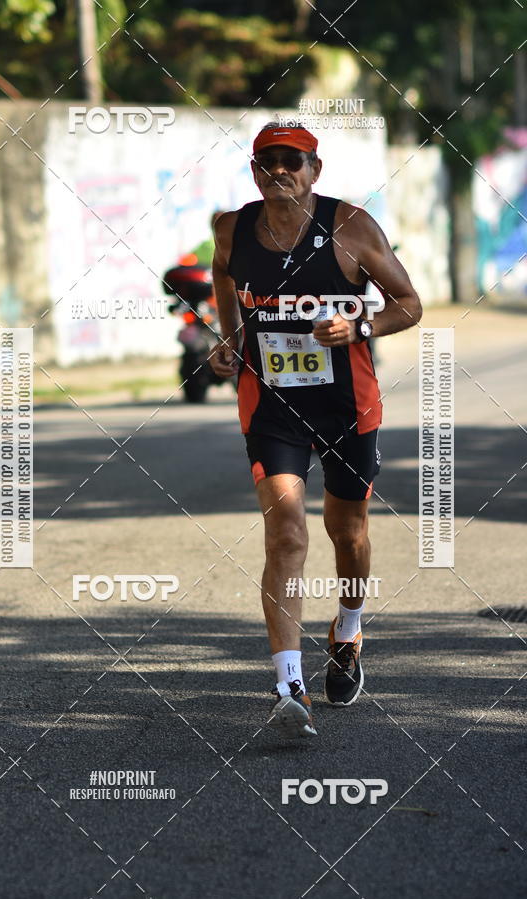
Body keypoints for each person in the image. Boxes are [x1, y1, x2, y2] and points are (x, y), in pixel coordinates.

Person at [209, 122, 422, 739]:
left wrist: (359, 329)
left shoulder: (351, 226)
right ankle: (288, 686)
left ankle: (349, 630)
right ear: (255, 172)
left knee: (347, 531)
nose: (281, 171)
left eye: (293, 161)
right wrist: (233, 336)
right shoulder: (232, 227)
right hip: (271, 406)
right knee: (287, 534)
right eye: (268, 161)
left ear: (314, 170)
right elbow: (225, 274)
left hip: (347, 406)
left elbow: (408, 303)